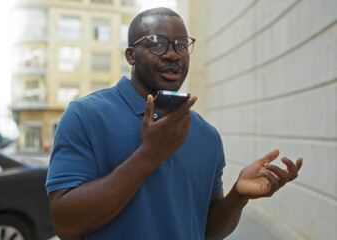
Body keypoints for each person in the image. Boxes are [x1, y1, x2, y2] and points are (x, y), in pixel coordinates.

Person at [45, 7, 303, 240]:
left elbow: (208, 232)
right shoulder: (85, 115)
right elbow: (66, 224)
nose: (172, 54)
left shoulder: (206, 134)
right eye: (157, 44)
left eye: (181, 44)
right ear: (131, 56)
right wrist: (149, 155)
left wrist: (238, 196)